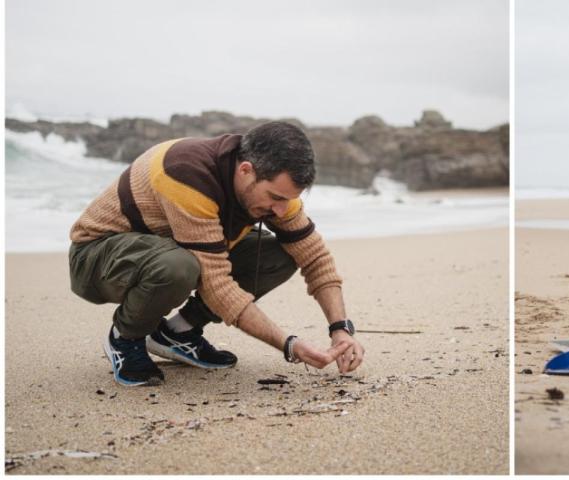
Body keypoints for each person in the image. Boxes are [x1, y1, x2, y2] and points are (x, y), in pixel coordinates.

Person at [69, 121, 365, 386]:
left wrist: (340, 329)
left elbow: (314, 257)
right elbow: (217, 285)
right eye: (275, 198)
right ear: (246, 170)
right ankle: (125, 338)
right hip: (96, 257)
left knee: (282, 254)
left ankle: (177, 333)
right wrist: (288, 345)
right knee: (178, 266)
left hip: (165, 248)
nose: (281, 210)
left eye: (289, 200)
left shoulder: (276, 193)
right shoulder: (186, 174)